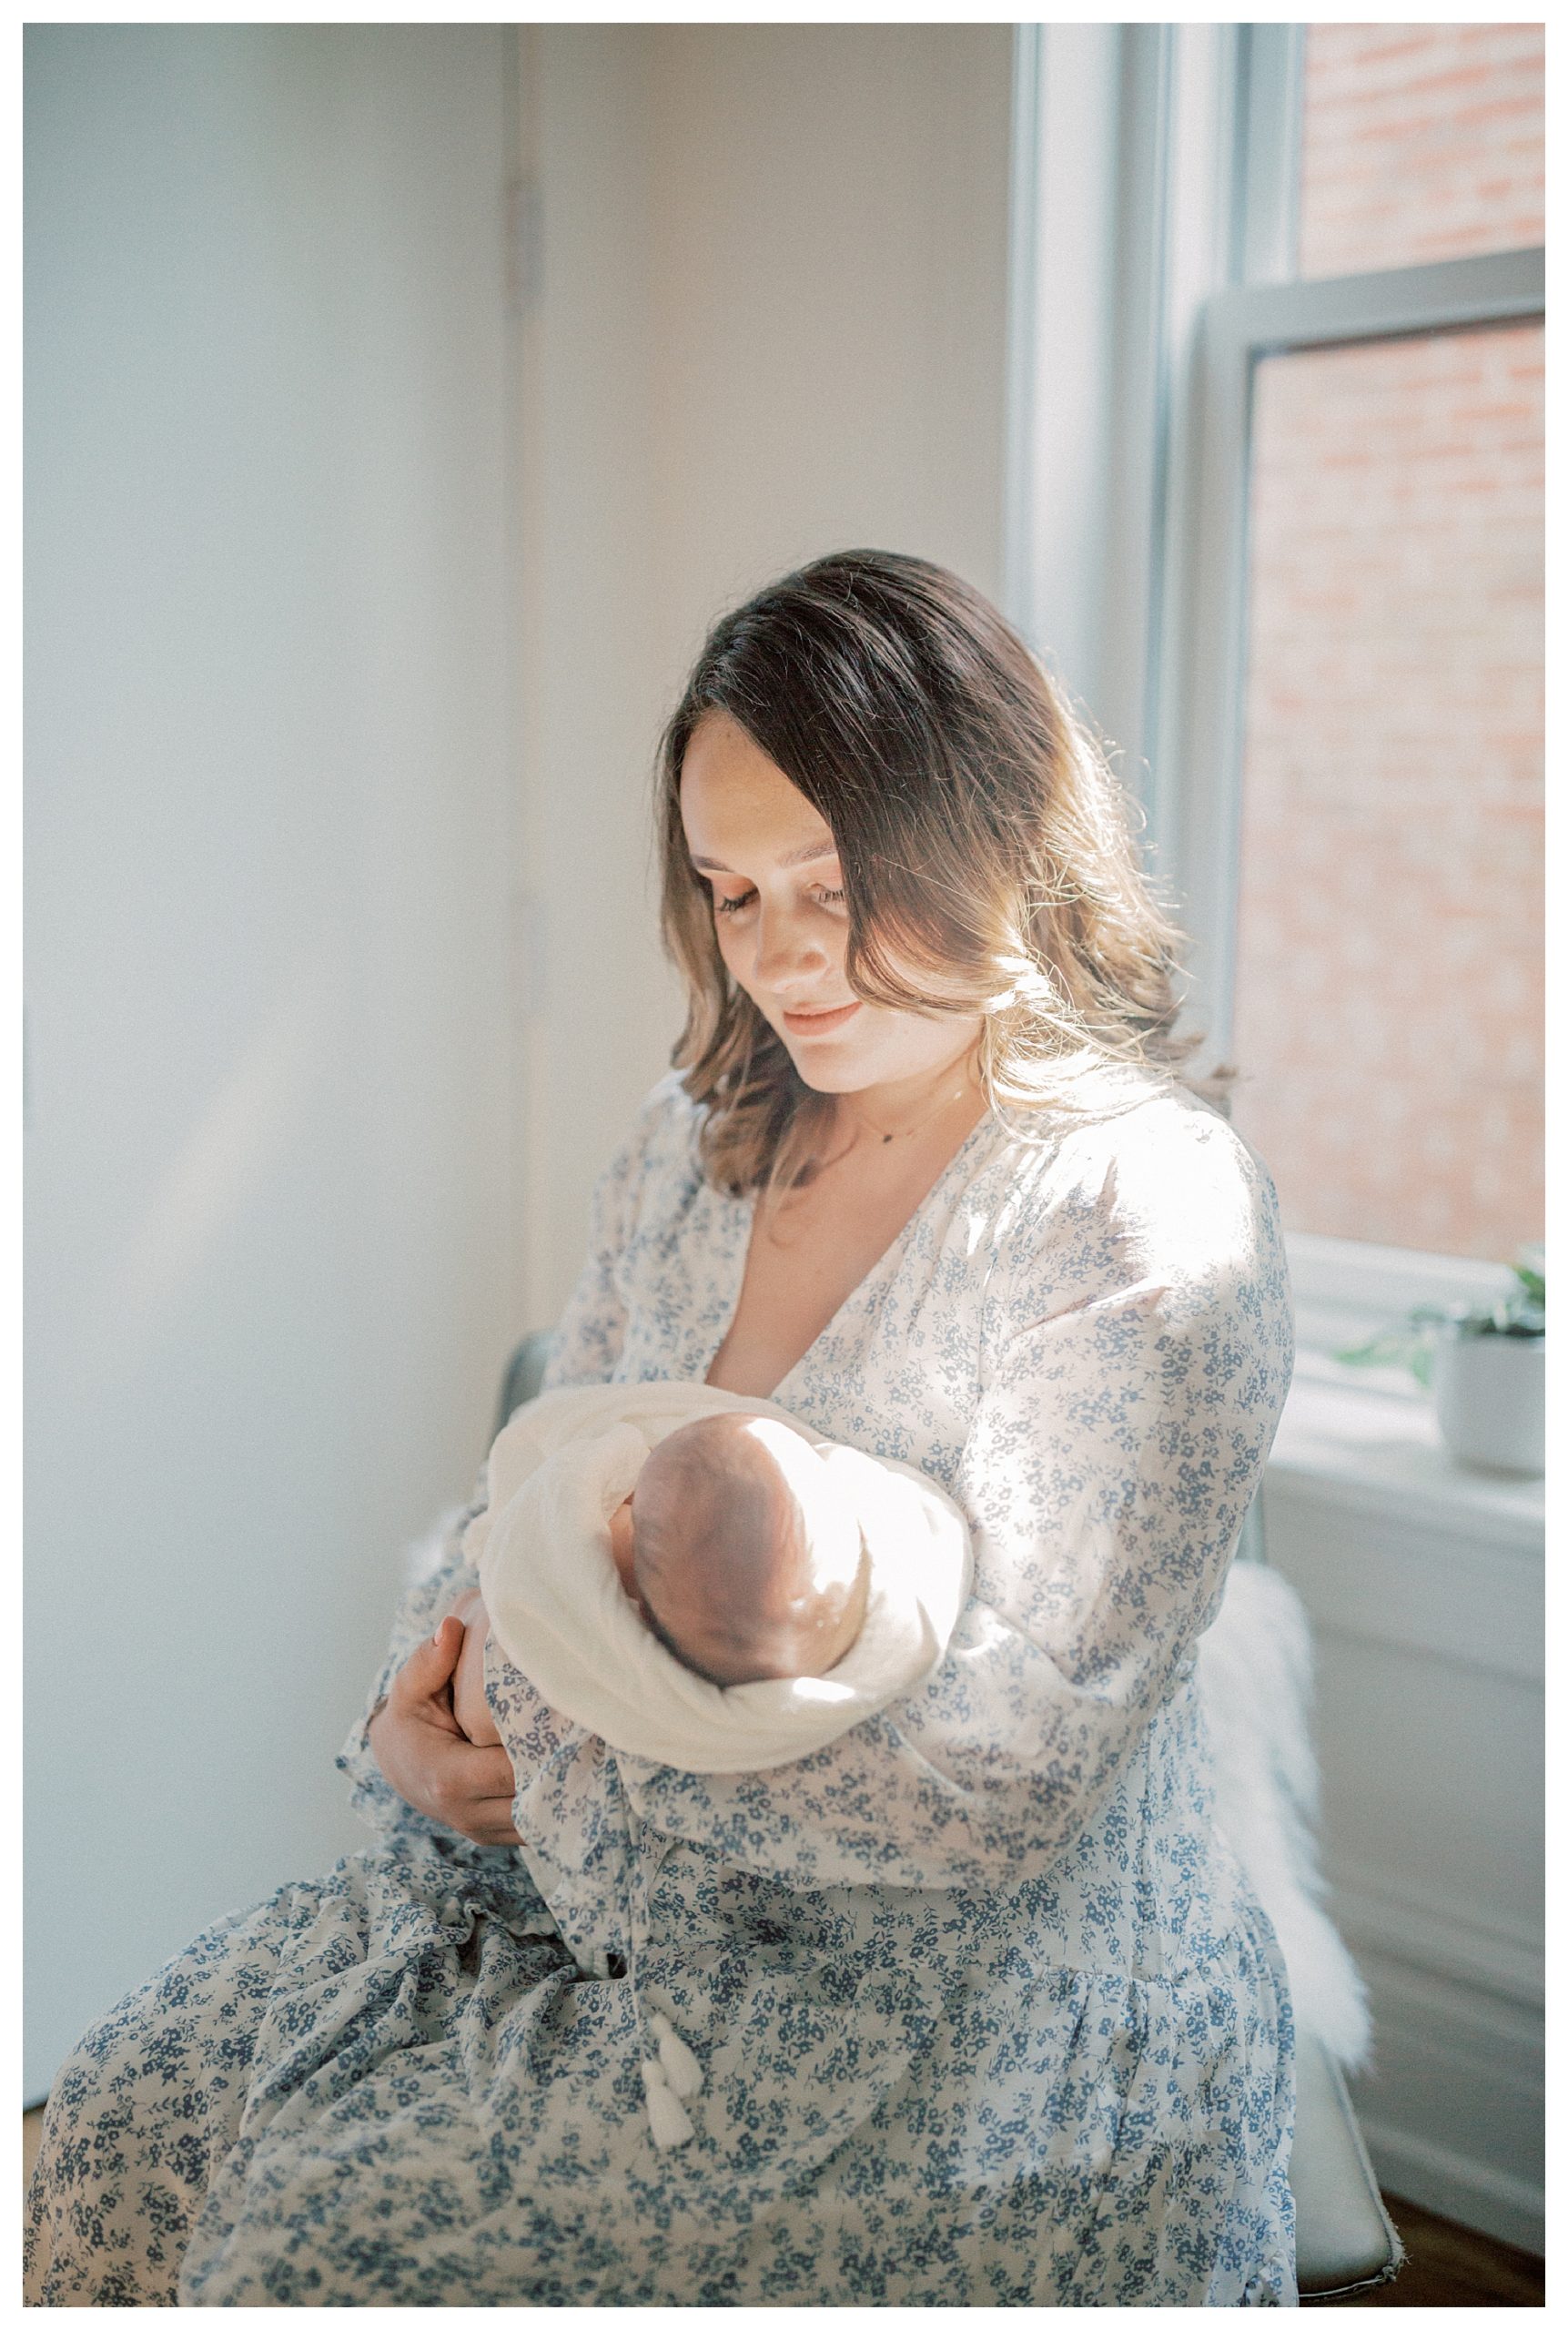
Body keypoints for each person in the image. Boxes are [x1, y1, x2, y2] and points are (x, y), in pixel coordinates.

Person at [25, 550, 1297, 2305]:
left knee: (312, 2244)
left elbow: (1002, 1782)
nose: (782, 959)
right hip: (584, 1911)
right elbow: (527, 1494)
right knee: (116, 2118)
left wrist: (557, 1738)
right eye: (729, 892)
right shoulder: (698, 1142)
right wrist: (420, 1712)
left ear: (990, 837)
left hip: (952, 2024)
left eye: (833, 885)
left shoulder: (1138, 1212)